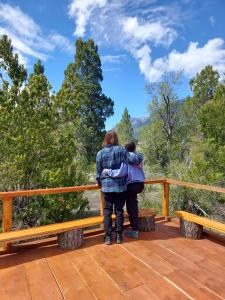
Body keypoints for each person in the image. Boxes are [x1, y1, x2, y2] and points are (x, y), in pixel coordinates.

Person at [96, 131, 143, 245]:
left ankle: (107, 237)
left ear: (105, 139)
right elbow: (134, 160)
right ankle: (118, 236)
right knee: (119, 211)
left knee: (107, 211)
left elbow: (98, 173)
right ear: (116, 138)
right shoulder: (121, 150)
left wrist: (100, 184)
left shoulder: (100, 154)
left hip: (106, 187)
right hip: (120, 187)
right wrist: (140, 157)